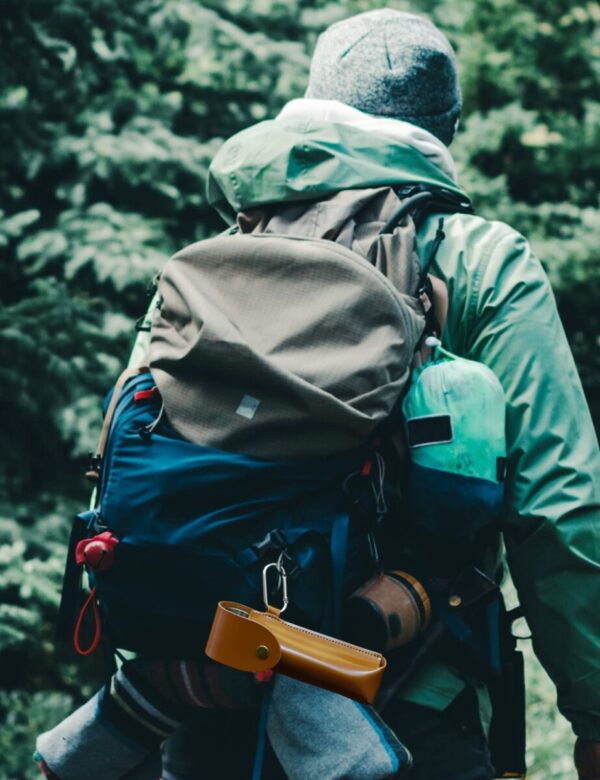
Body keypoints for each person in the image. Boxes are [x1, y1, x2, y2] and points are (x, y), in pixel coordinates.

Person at [37, 9, 600, 780]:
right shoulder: (474, 257)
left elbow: (134, 457)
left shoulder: (224, 255)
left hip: (206, 694)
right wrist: (595, 713)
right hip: (402, 703)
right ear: (444, 130)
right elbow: (559, 506)